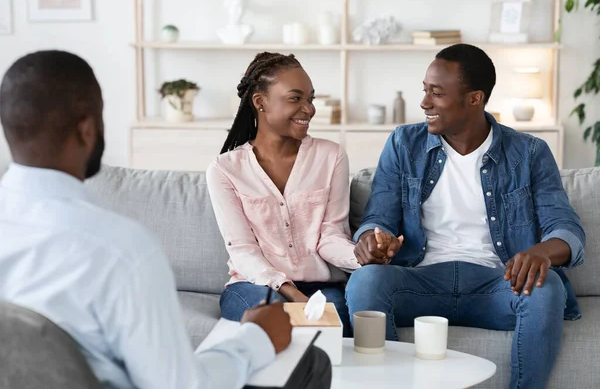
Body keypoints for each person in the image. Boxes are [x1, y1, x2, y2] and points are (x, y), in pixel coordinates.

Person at [0, 50, 331, 389]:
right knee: (309, 362)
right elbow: (181, 385)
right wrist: (257, 339)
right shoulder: (121, 251)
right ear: (87, 130)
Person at [345, 44, 585, 389]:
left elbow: (566, 228)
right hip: (422, 281)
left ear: (475, 98)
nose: (425, 102)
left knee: (546, 290)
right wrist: (371, 239)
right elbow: (378, 216)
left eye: (437, 93)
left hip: (498, 283)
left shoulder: (529, 153)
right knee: (366, 281)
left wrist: (541, 252)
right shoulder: (403, 143)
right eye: (425, 90)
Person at [207, 52, 375, 337]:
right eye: (295, 98)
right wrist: (290, 292)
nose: (308, 109)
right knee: (272, 319)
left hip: (322, 286)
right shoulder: (225, 170)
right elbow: (243, 250)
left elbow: (330, 235)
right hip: (254, 286)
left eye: (310, 99)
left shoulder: (330, 156)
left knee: (335, 329)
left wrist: (363, 257)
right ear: (260, 102)